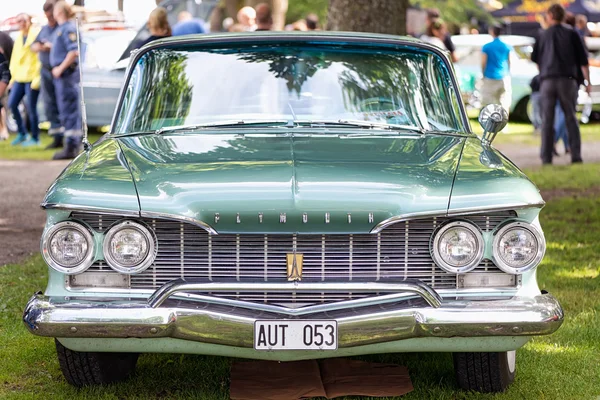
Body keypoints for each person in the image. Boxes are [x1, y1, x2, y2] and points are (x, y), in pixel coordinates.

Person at [532, 4, 589, 164]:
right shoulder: (572, 33)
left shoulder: (542, 34)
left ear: (550, 16)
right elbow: (583, 60)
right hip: (567, 81)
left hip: (547, 81)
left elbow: (536, 59)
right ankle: (576, 156)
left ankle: (546, 157)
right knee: (571, 118)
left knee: (547, 120)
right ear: (563, 16)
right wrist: (587, 82)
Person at [50, 1, 82, 160]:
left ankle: (71, 146)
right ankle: (70, 145)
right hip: (62, 77)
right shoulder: (61, 29)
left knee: (69, 110)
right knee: (65, 110)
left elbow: (73, 52)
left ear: (59, 12)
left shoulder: (68, 28)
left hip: (66, 75)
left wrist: (59, 68)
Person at [32, 1, 64, 149]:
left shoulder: (62, 28)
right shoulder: (44, 29)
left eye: (51, 15)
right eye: (47, 15)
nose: (49, 18)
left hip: (59, 71)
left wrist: (50, 47)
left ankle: (66, 139)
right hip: (45, 70)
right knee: (49, 104)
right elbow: (33, 46)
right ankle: (56, 137)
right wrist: (39, 46)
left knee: (61, 104)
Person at [8, 14, 42, 147]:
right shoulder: (18, 37)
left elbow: (40, 59)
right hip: (19, 78)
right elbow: (15, 59)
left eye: (23, 20)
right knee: (12, 104)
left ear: (29, 21)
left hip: (32, 78)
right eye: (18, 21)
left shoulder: (35, 35)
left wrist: (37, 79)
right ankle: (22, 133)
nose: (20, 23)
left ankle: (35, 138)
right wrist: (11, 78)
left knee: (31, 109)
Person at [480, 25, 512, 113]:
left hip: (490, 77)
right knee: (503, 104)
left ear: (491, 32)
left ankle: (490, 125)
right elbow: (510, 61)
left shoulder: (487, 47)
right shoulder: (506, 46)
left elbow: (483, 62)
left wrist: (483, 74)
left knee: (488, 104)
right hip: (503, 76)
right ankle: (504, 124)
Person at [0, 31, 13, 141]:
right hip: (4, 79)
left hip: (3, 81)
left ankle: (4, 131)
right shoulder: (6, 37)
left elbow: (5, 70)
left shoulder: (3, 38)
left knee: (2, 106)